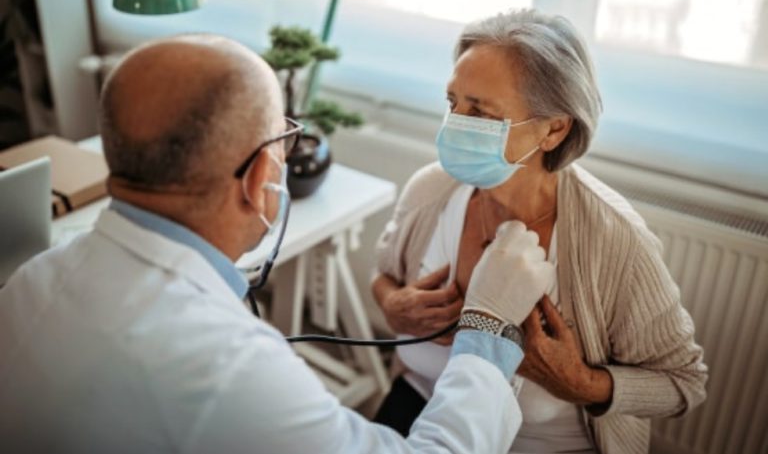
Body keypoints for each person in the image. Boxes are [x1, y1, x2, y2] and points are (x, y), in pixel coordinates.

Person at [0, 34, 556, 454]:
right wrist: (486, 328)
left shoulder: (31, 281)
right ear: (259, 173)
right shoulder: (229, 369)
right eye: (285, 137)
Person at [372, 9, 708, 454]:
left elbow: (684, 382)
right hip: (422, 410)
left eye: (482, 112)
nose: (455, 124)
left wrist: (582, 383)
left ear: (554, 128)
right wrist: (393, 306)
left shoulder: (615, 241)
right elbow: (383, 276)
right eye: (453, 103)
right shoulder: (431, 190)